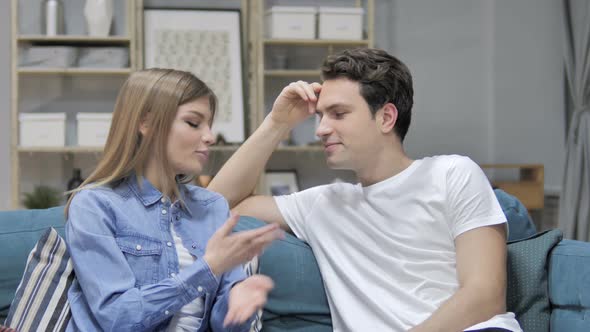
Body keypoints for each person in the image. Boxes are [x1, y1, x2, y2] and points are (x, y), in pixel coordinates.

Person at [208, 48, 523, 331]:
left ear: (386, 117)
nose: (320, 129)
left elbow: (485, 295)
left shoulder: (452, 173)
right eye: (320, 116)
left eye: (338, 114)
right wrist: (277, 123)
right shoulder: (323, 204)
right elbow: (214, 206)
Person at [64, 68, 284, 332]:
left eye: (209, 125)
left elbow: (224, 325)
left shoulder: (212, 207)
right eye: (194, 123)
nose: (210, 137)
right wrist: (208, 268)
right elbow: (117, 317)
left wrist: (239, 305)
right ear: (146, 123)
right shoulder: (95, 205)